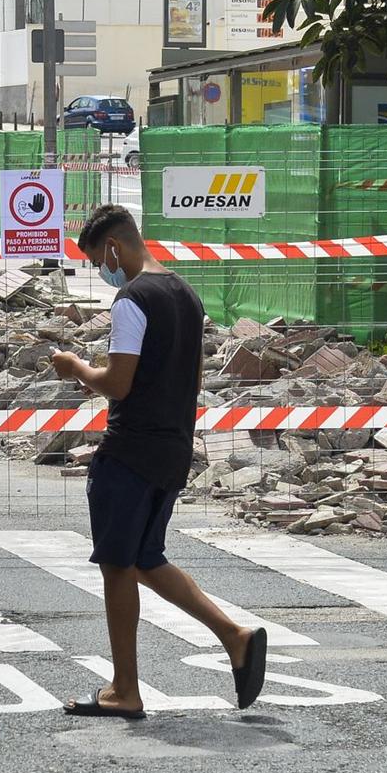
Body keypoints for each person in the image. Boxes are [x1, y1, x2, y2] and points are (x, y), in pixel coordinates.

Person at [49, 204, 267, 719]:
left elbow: (118, 383)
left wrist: (77, 366)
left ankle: (126, 689)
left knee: (117, 566)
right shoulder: (187, 295)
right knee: (146, 558)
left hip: (128, 451)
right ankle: (235, 636)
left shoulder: (132, 299)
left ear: (113, 249)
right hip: (172, 448)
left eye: (99, 262)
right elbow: (192, 383)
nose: (105, 273)